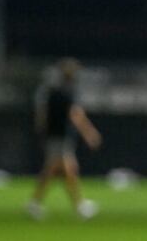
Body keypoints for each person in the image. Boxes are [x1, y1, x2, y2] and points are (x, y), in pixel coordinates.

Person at [27, 58, 102, 220]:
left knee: (66, 169)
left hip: (53, 135)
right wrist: (89, 132)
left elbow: (42, 115)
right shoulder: (68, 93)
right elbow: (75, 115)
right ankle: (76, 205)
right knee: (58, 169)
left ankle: (73, 204)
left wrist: (41, 131)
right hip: (60, 136)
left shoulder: (51, 91)